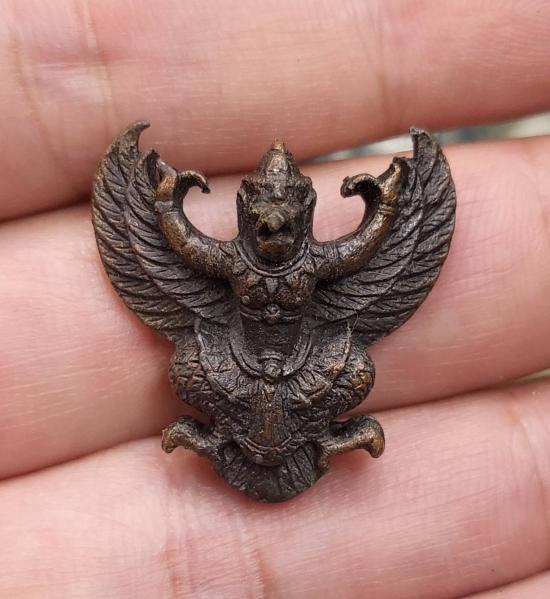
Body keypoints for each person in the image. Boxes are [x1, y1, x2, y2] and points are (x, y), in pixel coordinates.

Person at [0, 1, 549, 597]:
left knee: (356, 368)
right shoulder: (230, 262)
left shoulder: (317, 264)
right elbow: (182, 248)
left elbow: (364, 251)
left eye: (286, 216)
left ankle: (321, 437)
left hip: (306, 365)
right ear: (245, 211)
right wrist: (163, 203)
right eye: (262, 214)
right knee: (186, 365)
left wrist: (387, 203)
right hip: (234, 365)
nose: (274, 228)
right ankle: (223, 438)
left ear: (306, 213)